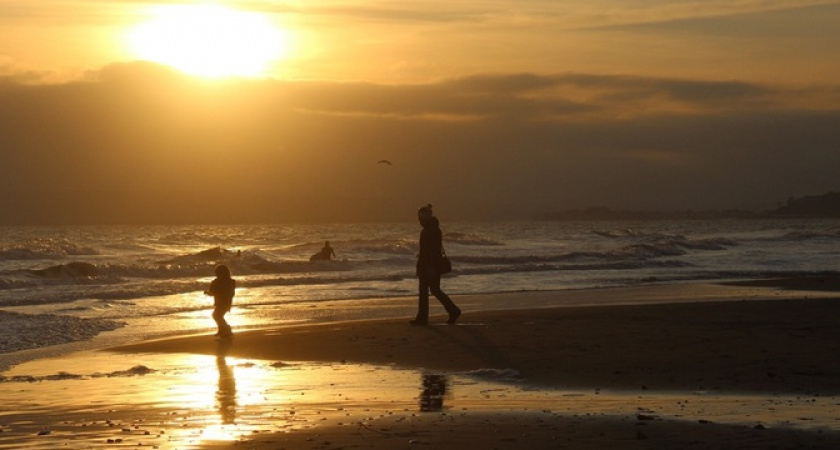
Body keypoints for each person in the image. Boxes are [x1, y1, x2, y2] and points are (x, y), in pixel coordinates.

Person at [411, 204, 461, 325]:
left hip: (429, 264)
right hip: (429, 264)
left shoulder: (430, 230)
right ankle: (452, 310)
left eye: (420, 218)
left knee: (427, 290)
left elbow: (432, 250)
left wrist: (430, 266)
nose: (419, 220)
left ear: (425, 218)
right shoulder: (433, 229)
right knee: (434, 290)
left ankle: (423, 318)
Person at [205, 264, 236, 338]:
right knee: (218, 316)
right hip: (225, 302)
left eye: (218, 272)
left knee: (217, 316)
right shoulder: (230, 281)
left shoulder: (220, 282)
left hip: (223, 302)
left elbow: (214, 292)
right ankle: (222, 330)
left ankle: (227, 330)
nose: (216, 274)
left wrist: (208, 292)